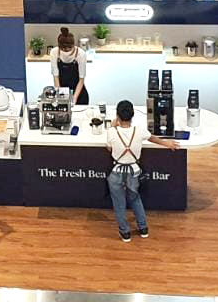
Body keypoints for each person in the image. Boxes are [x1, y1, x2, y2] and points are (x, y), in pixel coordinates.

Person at [106, 100, 180, 242]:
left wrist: (112, 126)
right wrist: (167, 143)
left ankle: (125, 232)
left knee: (119, 203)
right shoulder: (139, 131)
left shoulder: (111, 132)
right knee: (135, 199)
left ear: (117, 116)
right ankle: (143, 228)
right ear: (132, 115)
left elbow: (109, 149)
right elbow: (152, 138)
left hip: (116, 172)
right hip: (133, 172)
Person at [51, 27, 90, 105]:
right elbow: (56, 77)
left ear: (73, 45)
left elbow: (81, 79)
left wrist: (74, 99)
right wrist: (60, 97)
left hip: (79, 93)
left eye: (69, 49)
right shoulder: (54, 52)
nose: (66, 51)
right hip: (62, 91)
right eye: (63, 49)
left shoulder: (81, 54)